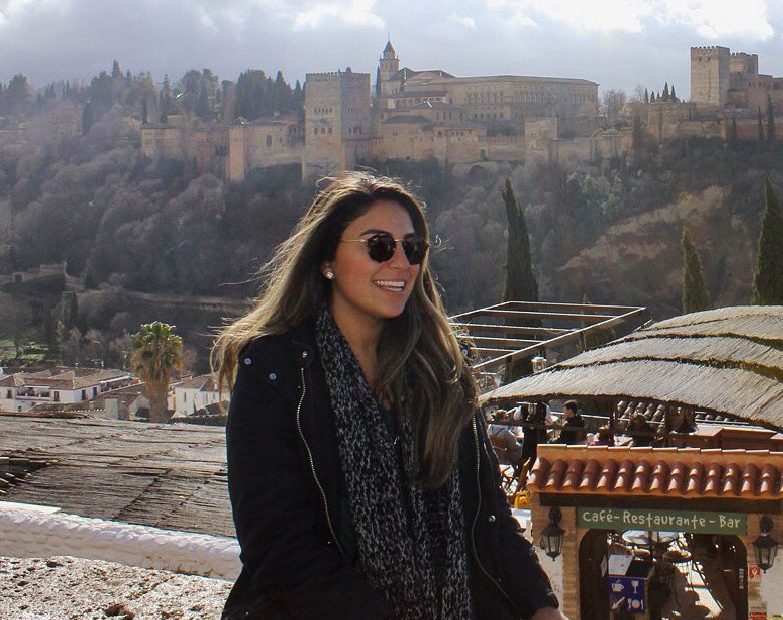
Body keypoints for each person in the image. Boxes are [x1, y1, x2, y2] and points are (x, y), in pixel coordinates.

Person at [214, 172, 562, 619]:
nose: (401, 263)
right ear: (327, 259)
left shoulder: (442, 369)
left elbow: (488, 517)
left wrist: (542, 607)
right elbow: (280, 549)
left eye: (413, 248)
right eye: (379, 246)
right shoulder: (275, 371)